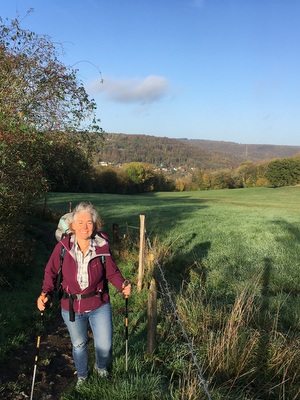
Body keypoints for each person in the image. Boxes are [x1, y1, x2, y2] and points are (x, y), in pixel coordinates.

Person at [37, 202, 131, 387]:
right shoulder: (63, 248)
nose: (85, 227)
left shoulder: (102, 247)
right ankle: (82, 376)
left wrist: (123, 286)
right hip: (71, 306)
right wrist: (45, 293)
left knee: (105, 344)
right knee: (79, 344)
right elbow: (51, 272)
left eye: (89, 222)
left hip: (99, 303)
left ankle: (101, 368)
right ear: (72, 225)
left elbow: (111, 272)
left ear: (95, 225)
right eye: (80, 222)